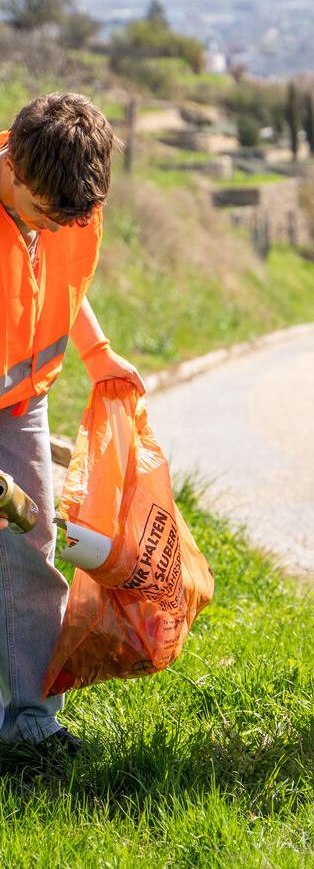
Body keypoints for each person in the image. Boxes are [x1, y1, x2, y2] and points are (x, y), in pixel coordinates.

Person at [0, 92, 144, 756]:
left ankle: (31, 725)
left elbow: (64, 285)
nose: (54, 228)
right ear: (13, 166)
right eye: (40, 215)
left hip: (22, 401)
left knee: (32, 544)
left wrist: (98, 351)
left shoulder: (68, 196)